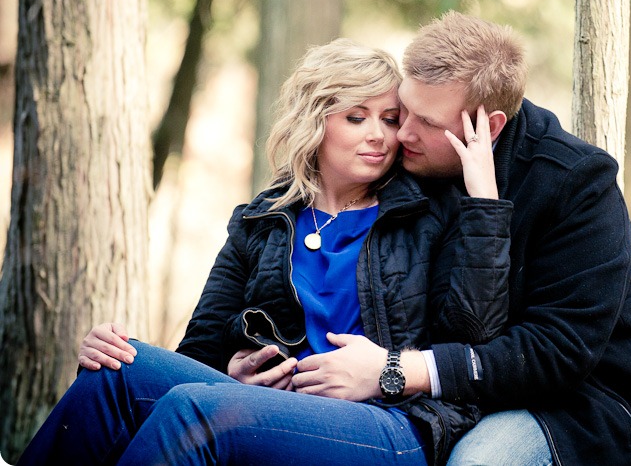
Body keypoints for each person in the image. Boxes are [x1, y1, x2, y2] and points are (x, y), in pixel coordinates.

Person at [17, 38, 513, 466]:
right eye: (356, 117)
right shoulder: (263, 221)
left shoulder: (425, 212)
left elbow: (473, 337)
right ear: (315, 121)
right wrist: (232, 375)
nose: (379, 135)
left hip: (392, 423)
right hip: (279, 412)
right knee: (117, 373)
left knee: (196, 411)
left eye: (390, 119)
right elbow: (201, 350)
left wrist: (484, 204)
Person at [293, 12, 631, 465]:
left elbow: (558, 353)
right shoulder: (415, 157)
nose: (403, 134)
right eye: (403, 111)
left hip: (577, 402)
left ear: (489, 126)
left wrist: (396, 369)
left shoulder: (576, 183)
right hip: (448, 399)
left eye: (427, 123)